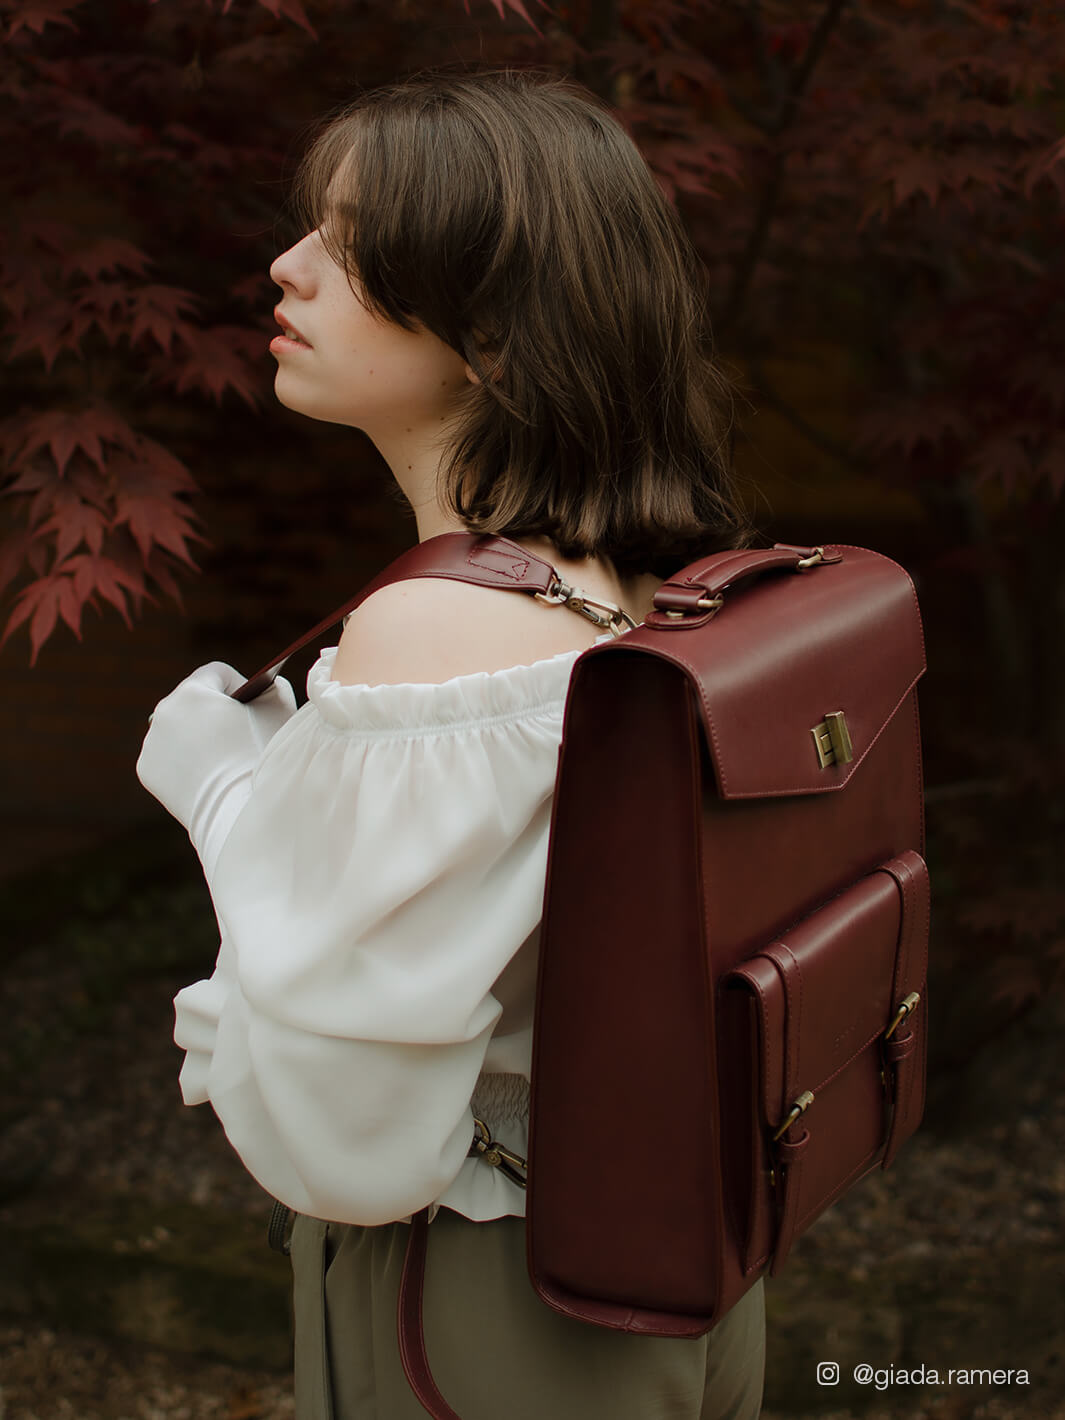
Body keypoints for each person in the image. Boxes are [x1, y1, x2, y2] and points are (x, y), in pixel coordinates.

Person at [137, 67, 765, 1420]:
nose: (285, 268)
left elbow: (336, 1127)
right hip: (668, 1257)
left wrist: (229, 797)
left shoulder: (433, 628)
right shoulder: (623, 577)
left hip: (483, 1302)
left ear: (490, 330)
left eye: (348, 246)